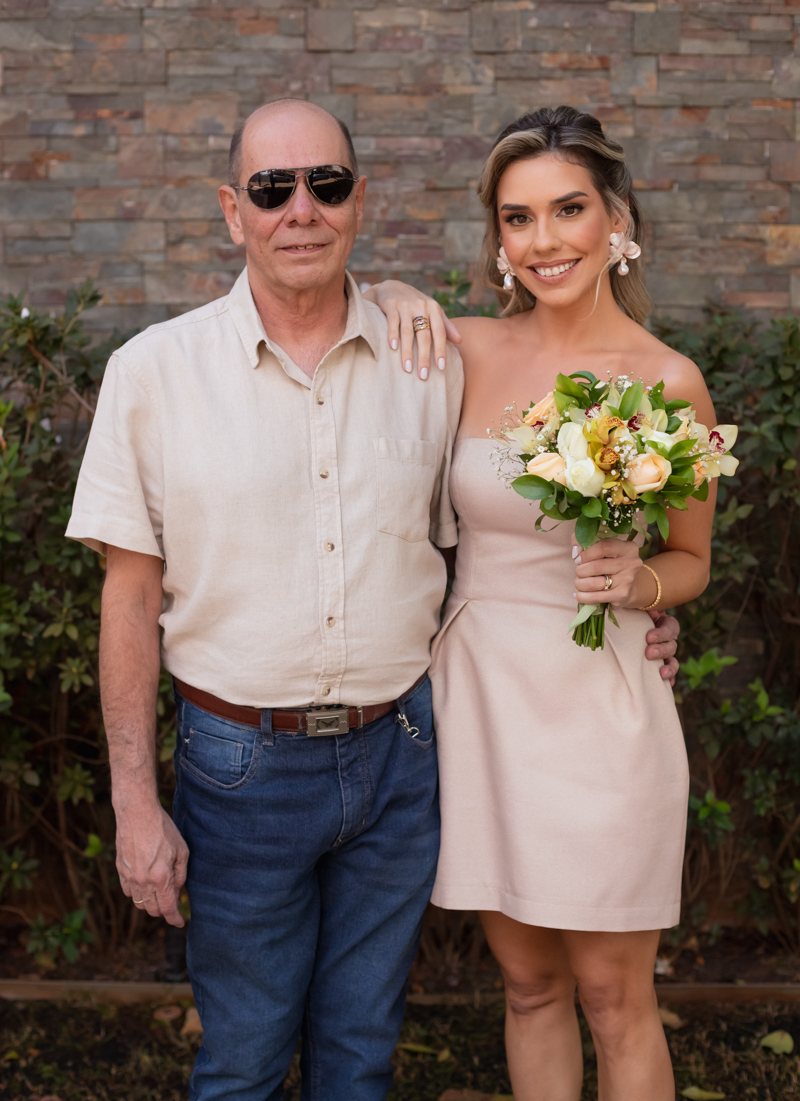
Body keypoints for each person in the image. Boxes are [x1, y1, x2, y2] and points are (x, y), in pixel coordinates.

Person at [65, 98, 679, 1101]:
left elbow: (515, 527)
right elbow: (126, 600)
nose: (299, 209)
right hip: (239, 771)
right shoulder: (154, 375)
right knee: (244, 1060)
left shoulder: (428, 360)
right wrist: (136, 803)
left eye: (327, 184)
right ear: (233, 210)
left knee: (359, 1056)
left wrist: (646, 603)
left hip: (402, 758)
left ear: (360, 201)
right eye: (272, 189)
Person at [368, 105, 714, 1101]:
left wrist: (641, 587)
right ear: (498, 240)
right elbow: (360, 308)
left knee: (611, 996)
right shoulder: (464, 346)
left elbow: (689, 559)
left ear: (614, 219)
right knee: (524, 988)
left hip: (601, 704)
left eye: (566, 209)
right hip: (480, 698)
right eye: (516, 219)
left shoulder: (664, 379)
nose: (542, 239)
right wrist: (391, 287)